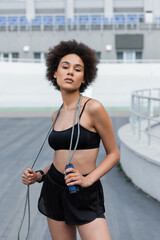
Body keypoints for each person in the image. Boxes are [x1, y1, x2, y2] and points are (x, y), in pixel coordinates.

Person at [22, 39, 120, 240]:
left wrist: (88, 180)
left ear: (84, 78)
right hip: (53, 188)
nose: (70, 72)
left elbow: (114, 154)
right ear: (54, 73)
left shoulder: (93, 108)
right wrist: (40, 175)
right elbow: (61, 157)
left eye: (77, 69)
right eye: (65, 67)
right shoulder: (55, 115)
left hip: (83, 190)